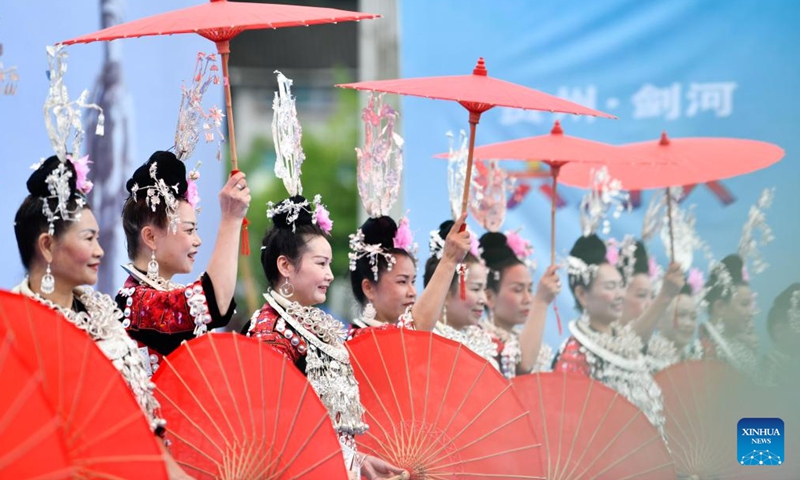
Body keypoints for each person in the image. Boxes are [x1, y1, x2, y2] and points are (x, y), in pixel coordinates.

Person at [12, 156, 194, 479]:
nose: (100, 251)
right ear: (48, 246)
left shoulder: (105, 316)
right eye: (88, 239)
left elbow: (145, 435)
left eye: (97, 238)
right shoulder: (15, 331)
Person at [246, 195, 406, 479]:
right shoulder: (269, 331)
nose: (330, 275)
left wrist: (359, 461)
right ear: (285, 266)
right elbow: (276, 432)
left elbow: (330, 427)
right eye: (321, 264)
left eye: (329, 265)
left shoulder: (314, 325)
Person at [116, 151, 249, 375]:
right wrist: (231, 219)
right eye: (189, 230)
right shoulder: (136, 303)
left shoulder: (154, 296)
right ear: (151, 237)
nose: (198, 241)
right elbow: (213, 302)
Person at [553, 234, 683, 432]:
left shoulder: (627, 342)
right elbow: (568, 428)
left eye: (621, 285)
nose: (620, 294)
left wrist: (666, 294)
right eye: (610, 287)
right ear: (582, 295)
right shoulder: (576, 353)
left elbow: (637, 337)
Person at [479, 231, 560, 378]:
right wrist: (541, 302)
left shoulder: (521, 338)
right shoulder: (482, 341)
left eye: (530, 289)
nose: (528, 299)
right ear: (489, 296)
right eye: (518, 290)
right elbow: (523, 366)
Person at [423, 220, 497, 366]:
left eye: (484, 289)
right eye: (476, 289)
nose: (483, 299)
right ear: (446, 293)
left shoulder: (482, 340)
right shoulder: (428, 340)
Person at [698, 254, 759, 379]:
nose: (750, 312)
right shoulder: (698, 350)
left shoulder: (743, 351)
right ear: (720, 307)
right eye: (744, 304)